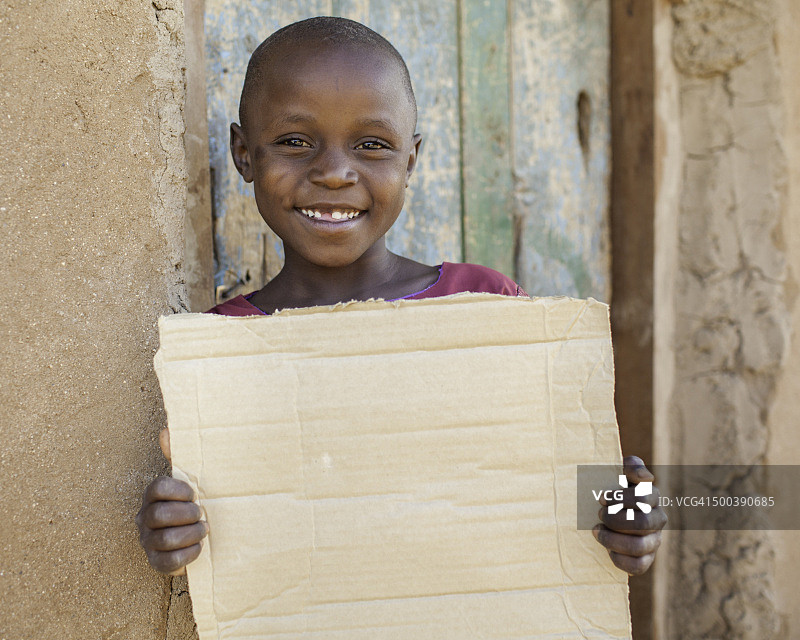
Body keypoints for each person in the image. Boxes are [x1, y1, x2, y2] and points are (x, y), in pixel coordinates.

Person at [136, 16, 666, 580]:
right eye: (295, 141)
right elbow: (216, 514)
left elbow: (556, 486)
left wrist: (626, 521)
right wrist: (172, 529)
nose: (335, 172)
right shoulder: (221, 351)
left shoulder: (486, 306)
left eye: (372, 145)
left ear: (410, 158)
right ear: (245, 154)